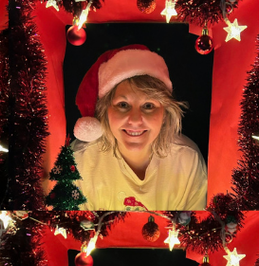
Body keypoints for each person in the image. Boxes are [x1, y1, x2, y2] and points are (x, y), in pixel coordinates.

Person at [69, 45, 207, 211]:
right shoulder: (79, 161)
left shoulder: (187, 160)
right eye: (123, 105)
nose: (135, 120)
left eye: (148, 105)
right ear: (105, 111)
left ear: (164, 114)